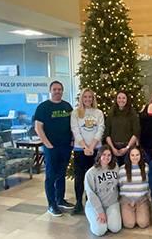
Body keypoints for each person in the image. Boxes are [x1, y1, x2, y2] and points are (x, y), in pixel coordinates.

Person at [34, 80, 74, 216]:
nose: (57, 91)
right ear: (50, 91)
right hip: (51, 148)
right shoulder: (43, 107)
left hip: (65, 147)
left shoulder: (67, 106)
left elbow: (73, 125)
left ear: (62, 91)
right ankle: (51, 204)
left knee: (61, 174)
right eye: (55, 89)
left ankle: (60, 200)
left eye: (60, 89)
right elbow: (38, 127)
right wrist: (48, 145)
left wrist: (73, 140)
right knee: (51, 176)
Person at [70, 88, 105, 214]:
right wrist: (85, 147)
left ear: (93, 98)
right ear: (81, 98)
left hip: (96, 149)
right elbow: (75, 131)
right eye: (85, 97)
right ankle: (79, 203)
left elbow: (100, 130)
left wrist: (91, 147)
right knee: (79, 177)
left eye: (90, 97)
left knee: (94, 177)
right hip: (80, 150)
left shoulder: (98, 112)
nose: (88, 99)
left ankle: (91, 201)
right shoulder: (75, 113)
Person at [84, 145, 121, 236]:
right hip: (95, 205)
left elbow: (120, 185)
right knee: (100, 231)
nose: (106, 157)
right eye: (104, 154)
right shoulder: (91, 173)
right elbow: (90, 194)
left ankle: (108, 218)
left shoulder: (116, 167)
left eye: (109, 155)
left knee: (115, 228)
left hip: (112, 203)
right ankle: (93, 217)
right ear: (99, 156)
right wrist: (100, 211)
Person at [104, 91, 139, 166]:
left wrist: (127, 148)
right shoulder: (111, 114)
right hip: (114, 148)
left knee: (127, 171)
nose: (121, 100)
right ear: (116, 99)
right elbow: (107, 133)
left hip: (128, 148)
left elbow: (136, 133)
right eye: (119, 98)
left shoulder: (132, 114)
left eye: (123, 98)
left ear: (127, 100)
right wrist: (112, 148)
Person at [118, 146, 150, 229]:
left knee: (143, 223)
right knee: (129, 224)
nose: (135, 157)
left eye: (137, 155)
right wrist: (127, 200)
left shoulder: (146, 167)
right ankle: (130, 214)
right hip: (127, 201)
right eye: (132, 155)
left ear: (141, 155)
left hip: (141, 200)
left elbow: (149, 186)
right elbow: (119, 187)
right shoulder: (122, 169)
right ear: (129, 156)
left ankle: (141, 212)